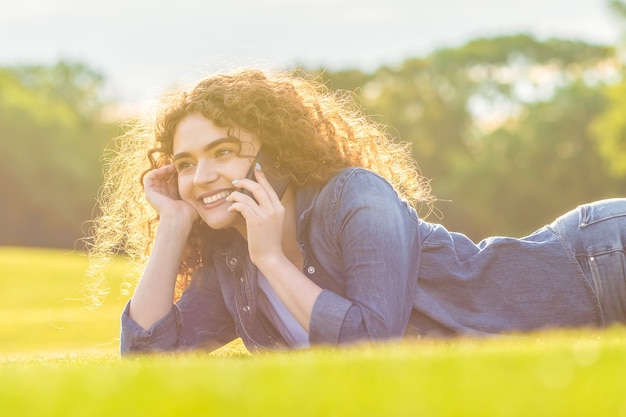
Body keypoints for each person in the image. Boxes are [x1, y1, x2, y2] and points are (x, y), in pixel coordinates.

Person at [88, 68, 626, 355]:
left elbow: (370, 342)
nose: (201, 176)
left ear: (274, 151)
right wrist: (174, 226)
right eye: (185, 163)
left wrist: (274, 259)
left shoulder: (358, 198)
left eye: (222, 152)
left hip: (599, 261)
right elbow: (149, 361)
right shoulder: (233, 260)